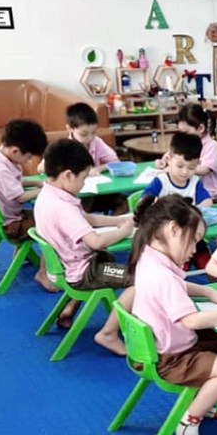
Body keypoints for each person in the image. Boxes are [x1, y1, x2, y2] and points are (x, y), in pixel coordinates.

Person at [128, 194, 217, 435]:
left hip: (158, 347)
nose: (194, 249)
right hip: (170, 357)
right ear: (174, 229)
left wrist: (209, 293)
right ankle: (188, 423)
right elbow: (191, 320)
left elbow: (178, 286)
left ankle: (207, 400)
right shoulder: (161, 275)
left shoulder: (149, 255)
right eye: (193, 241)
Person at [33, 139, 135, 354]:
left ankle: (70, 308)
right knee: (139, 279)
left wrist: (118, 220)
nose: (84, 184)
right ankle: (108, 333)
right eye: (83, 178)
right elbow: (96, 242)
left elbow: (86, 218)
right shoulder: (63, 208)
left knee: (106, 257)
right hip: (83, 272)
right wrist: (124, 232)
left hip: (67, 267)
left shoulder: (49, 195)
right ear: (68, 175)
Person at [0, 118, 52, 290]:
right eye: (28, 157)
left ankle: (22, 254)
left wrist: (34, 182)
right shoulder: (1, 169)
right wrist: (47, 190)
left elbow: (15, 181)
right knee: (51, 226)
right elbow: (20, 197)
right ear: (15, 151)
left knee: (43, 216)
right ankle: (44, 273)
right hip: (9, 224)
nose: (29, 161)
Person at [157, 104, 217, 202]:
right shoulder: (185, 141)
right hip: (190, 193)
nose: (183, 136)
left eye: (186, 132)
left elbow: (204, 169)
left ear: (201, 128)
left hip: (211, 195)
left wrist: (177, 167)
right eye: (180, 132)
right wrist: (164, 161)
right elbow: (171, 155)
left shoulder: (211, 145)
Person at [143, 133, 213, 207]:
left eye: (191, 168)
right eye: (180, 166)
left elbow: (207, 201)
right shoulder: (161, 181)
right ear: (168, 159)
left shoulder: (195, 182)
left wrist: (198, 208)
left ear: (198, 163)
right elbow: (144, 200)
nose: (185, 172)